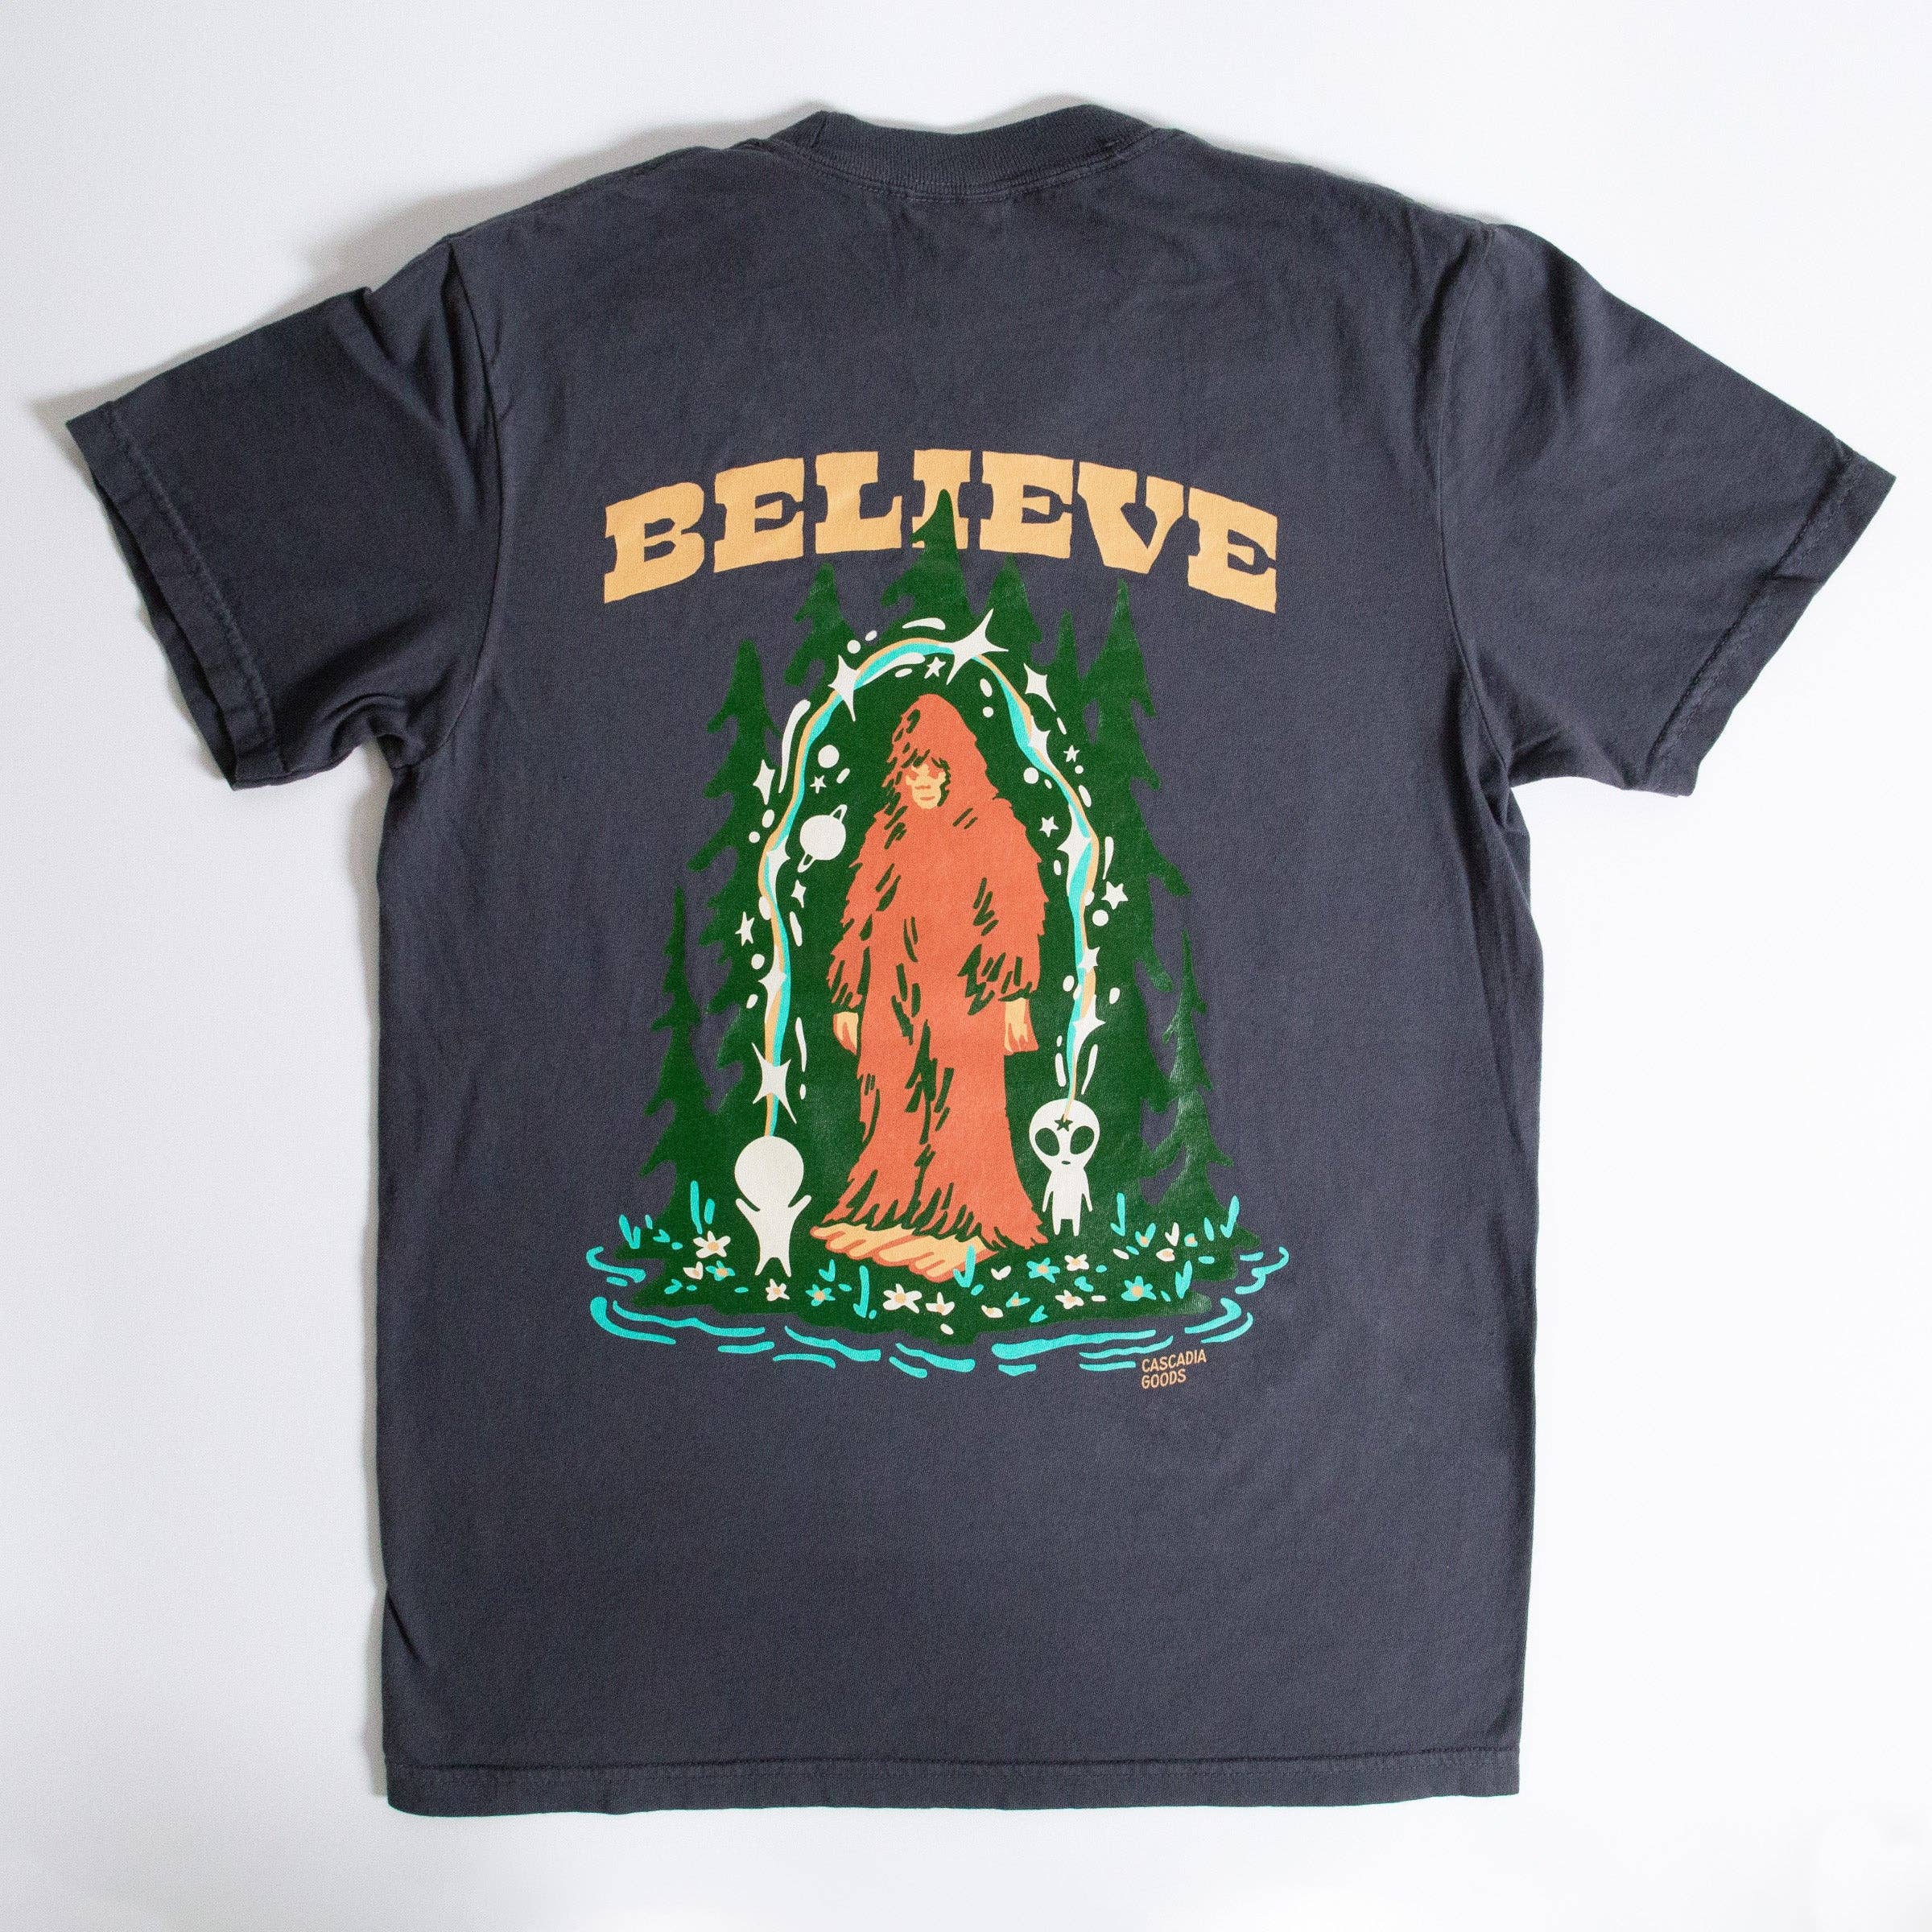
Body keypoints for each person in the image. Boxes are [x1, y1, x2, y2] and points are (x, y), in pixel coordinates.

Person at [813, 695, 1048, 1281]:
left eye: (935, 768)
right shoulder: (885, 833)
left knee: (962, 1102)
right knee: (892, 1096)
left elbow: (1017, 914)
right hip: (890, 990)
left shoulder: (993, 826)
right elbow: (859, 920)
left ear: (956, 768)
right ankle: (895, 1207)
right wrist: (848, 996)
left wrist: (1013, 993)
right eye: (912, 768)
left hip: (965, 993)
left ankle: (971, 1218)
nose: (923, 780)